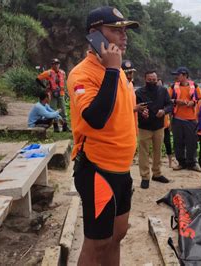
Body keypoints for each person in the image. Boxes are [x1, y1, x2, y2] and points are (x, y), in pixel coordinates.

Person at [66, 6, 139, 266]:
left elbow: (124, 114)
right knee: (97, 244)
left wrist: (113, 70)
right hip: (97, 169)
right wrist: (110, 70)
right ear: (95, 34)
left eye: (124, 30)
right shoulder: (82, 74)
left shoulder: (118, 72)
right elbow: (96, 119)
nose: (123, 36)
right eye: (115, 30)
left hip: (121, 169)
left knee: (118, 235)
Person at [135, 71, 173, 189]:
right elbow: (135, 107)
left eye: (154, 80)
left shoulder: (163, 90)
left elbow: (170, 105)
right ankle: (145, 177)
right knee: (143, 153)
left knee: (158, 151)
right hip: (144, 127)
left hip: (159, 126)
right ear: (145, 79)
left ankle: (157, 173)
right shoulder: (139, 92)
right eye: (149, 80)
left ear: (157, 79)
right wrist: (142, 113)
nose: (152, 82)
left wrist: (164, 111)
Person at [168, 67, 201, 171]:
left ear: (184, 75)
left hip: (191, 119)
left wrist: (193, 102)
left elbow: (199, 99)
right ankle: (181, 163)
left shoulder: (195, 86)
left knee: (192, 142)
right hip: (177, 118)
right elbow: (167, 99)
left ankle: (192, 163)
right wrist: (176, 101)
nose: (176, 77)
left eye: (178, 75)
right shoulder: (173, 87)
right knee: (178, 142)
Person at [36, 58, 70, 132]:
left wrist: (66, 91)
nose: (57, 65)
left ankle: (65, 126)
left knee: (63, 110)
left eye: (58, 63)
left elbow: (64, 82)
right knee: (53, 110)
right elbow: (38, 79)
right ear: (52, 65)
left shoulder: (63, 73)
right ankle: (56, 127)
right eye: (55, 64)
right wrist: (45, 87)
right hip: (52, 94)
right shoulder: (48, 73)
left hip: (61, 94)